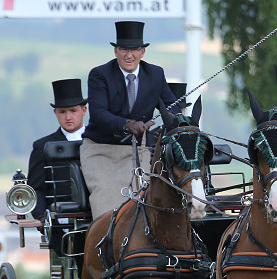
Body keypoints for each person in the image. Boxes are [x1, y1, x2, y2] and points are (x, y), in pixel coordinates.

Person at [81, 20, 178, 219]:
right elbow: (98, 114)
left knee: (144, 197)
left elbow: (172, 106)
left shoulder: (156, 74)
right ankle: (106, 242)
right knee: (106, 199)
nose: (129, 55)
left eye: (135, 50)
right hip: (101, 149)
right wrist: (127, 124)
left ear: (143, 52)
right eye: (124, 49)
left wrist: (167, 126)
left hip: (138, 150)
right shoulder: (99, 75)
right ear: (116, 51)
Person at [27, 79, 87, 221]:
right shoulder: (42, 146)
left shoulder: (98, 141)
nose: (68, 117)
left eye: (73, 111)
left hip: (99, 218)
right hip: (58, 221)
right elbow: (36, 188)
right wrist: (42, 217)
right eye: (62, 112)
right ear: (55, 112)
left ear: (84, 110)